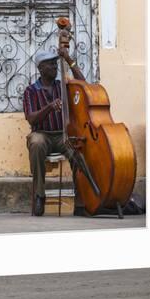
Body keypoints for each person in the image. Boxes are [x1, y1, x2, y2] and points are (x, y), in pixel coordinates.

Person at [23, 48, 86, 216]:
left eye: (55, 63)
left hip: (61, 134)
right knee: (36, 143)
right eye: (50, 64)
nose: (55, 67)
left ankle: (81, 197)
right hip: (42, 133)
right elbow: (31, 118)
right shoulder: (31, 91)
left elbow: (82, 83)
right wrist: (49, 108)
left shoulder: (62, 86)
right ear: (41, 68)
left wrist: (68, 59)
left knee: (78, 148)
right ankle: (39, 195)